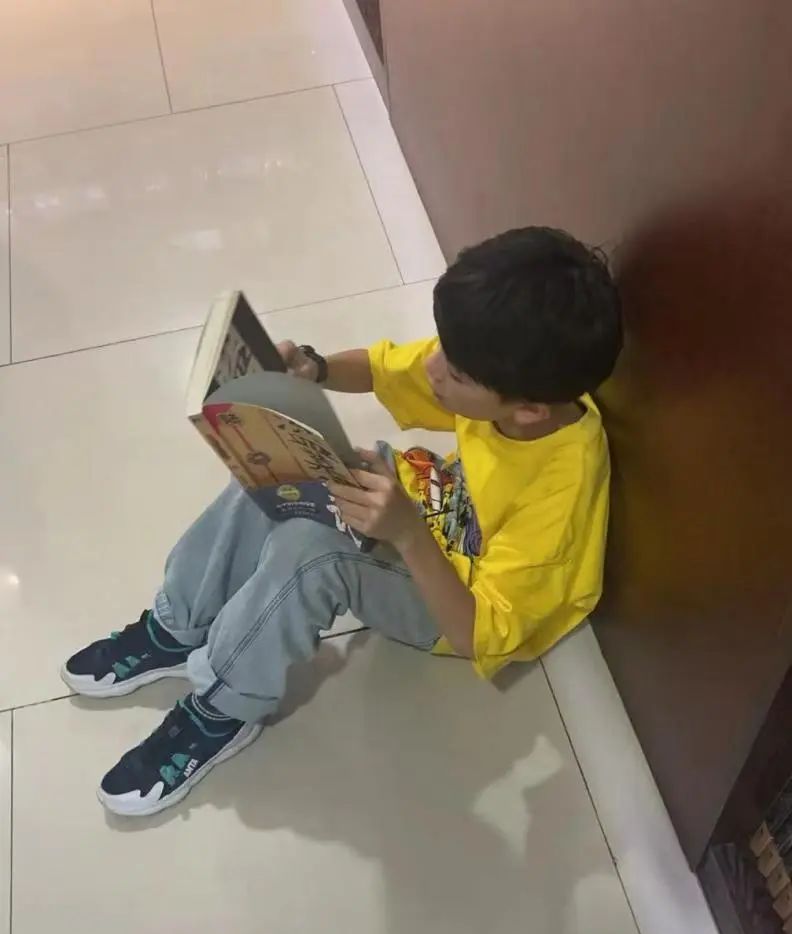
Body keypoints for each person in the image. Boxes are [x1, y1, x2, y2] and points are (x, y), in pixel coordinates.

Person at [61, 226, 623, 817]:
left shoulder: (559, 492)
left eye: (455, 374)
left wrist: (406, 532)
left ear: (528, 411)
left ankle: (223, 708)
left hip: (454, 602)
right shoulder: (501, 372)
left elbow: (481, 635)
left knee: (315, 551)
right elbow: (384, 368)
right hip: (424, 508)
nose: (434, 367)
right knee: (275, 465)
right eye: (443, 350)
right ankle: (178, 628)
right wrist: (315, 367)